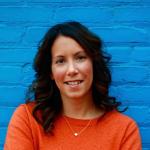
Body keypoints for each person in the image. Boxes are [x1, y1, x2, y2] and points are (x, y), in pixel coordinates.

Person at [4, 21, 142, 150]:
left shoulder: (124, 130)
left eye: (80, 58)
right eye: (60, 61)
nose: (72, 70)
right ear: (51, 72)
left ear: (93, 63)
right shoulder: (28, 119)